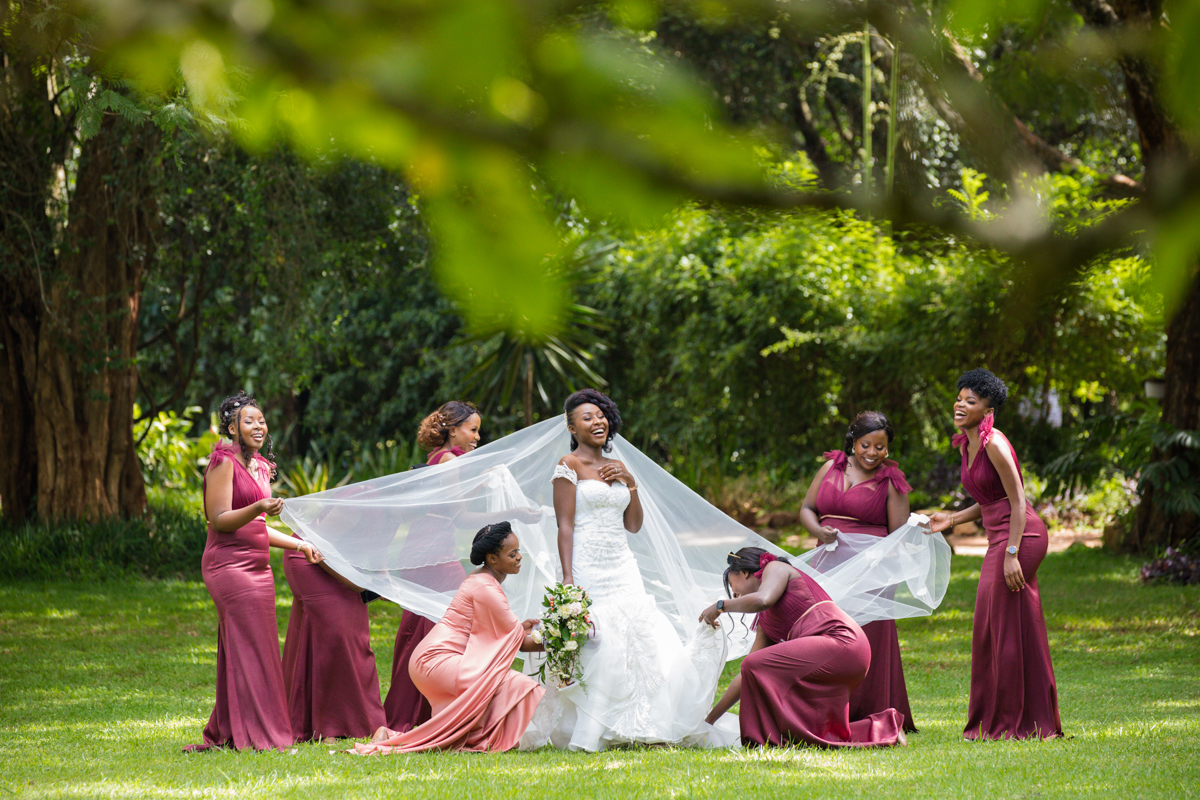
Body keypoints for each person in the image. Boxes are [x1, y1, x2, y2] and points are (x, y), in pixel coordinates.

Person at [536, 388, 733, 751]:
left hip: (622, 561)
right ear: (571, 427)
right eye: (586, 418)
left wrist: (631, 483)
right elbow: (564, 526)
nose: (597, 422)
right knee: (603, 638)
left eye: (600, 415)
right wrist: (567, 578)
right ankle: (597, 727)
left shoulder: (618, 466)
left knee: (640, 634)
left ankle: (650, 723)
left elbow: (634, 525)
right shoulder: (569, 466)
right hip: (587, 561)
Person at [929, 369, 1063, 740]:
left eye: (971, 401)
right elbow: (989, 499)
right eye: (960, 397)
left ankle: (1009, 722)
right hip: (1001, 539)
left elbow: (1018, 502)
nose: (960, 404)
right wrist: (952, 519)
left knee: (999, 626)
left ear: (988, 410)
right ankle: (1025, 720)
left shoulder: (994, 445)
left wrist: (1012, 554)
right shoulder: (967, 443)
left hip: (1022, 537)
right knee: (997, 627)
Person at [186, 391, 323, 752]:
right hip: (227, 565)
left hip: (258, 567)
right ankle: (262, 734)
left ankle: (233, 728)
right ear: (232, 427)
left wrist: (299, 544)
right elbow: (219, 519)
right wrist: (259, 505)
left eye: (261, 420)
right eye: (249, 421)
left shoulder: (262, 466)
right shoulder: (222, 462)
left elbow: (259, 525)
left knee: (256, 646)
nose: (258, 425)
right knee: (251, 648)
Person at [355, 523, 546, 754]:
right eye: (512, 553)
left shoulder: (481, 578)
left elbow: (496, 633)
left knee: (493, 690)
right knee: (516, 684)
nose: (519, 557)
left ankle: (393, 735)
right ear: (493, 559)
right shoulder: (487, 588)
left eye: (518, 551)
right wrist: (562, 639)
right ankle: (397, 738)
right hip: (436, 661)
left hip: (431, 659)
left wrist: (519, 630)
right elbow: (522, 645)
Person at [699, 548, 906, 748]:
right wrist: (709, 721)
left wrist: (720, 606)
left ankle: (760, 739)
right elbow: (748, 673)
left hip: (843, 641)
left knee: (756, 664)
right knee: (759, 674)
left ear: (744, 573)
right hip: (833, 655)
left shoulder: (774, 567)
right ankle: (885, 726)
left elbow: (762, 599)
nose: (735, 595)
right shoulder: (766, 620)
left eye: (733, 587)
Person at [798, 411, 918, 732]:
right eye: (866, 445)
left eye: (881, 447)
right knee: (826, 635)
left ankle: (868, 711)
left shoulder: (892, 482)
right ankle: (822, 708)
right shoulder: (831, 467)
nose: (872, 453)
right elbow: (808, 508)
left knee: (863, 639)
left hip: (871, 573)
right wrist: (820, 532)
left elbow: (899, 537)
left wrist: (874, 567)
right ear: (853, 441)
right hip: (826, 564)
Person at [382, 401, 478, 732]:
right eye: (473, 429)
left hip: (424, 549)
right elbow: (461, 516)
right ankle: (422, 713)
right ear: (453, 430)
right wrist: (513, 515)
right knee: (452, 620)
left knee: (422, 628)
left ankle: (414, 711)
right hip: (432, 553)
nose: (477, 437)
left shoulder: (438, 458)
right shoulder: (450, 460)